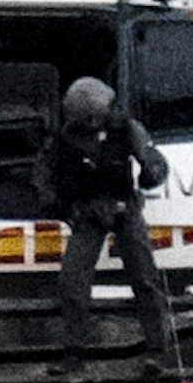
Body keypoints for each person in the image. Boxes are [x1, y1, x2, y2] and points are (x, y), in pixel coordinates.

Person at [48, 76, 172, 366]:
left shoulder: (126, 128)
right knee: (73, 281)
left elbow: (153, 160)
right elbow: (46, 173)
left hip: (124, 210)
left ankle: (157, 349)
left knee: (144, 277)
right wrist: (63, 206)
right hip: (90, 212)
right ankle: (74, 351)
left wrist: (150, 173)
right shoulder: (65, 137)